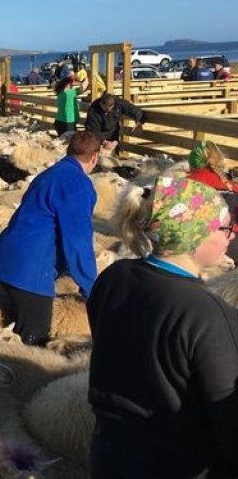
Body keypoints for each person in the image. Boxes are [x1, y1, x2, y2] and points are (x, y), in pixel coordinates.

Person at [88, 176, 238, 478]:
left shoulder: (114, 277)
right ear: (194, 236)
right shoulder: (207, 314)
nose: (231, 236)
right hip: (176, 464)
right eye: (225, 228)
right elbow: (229, 418)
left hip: (109, 450)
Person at [0, 131, 100, 346]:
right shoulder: (78, 185)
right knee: (35, 335)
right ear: (95, 157)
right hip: (30, 269)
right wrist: (92, 289)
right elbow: (78, 241)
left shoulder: (50, 173)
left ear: (68, 150)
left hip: (6, 257)